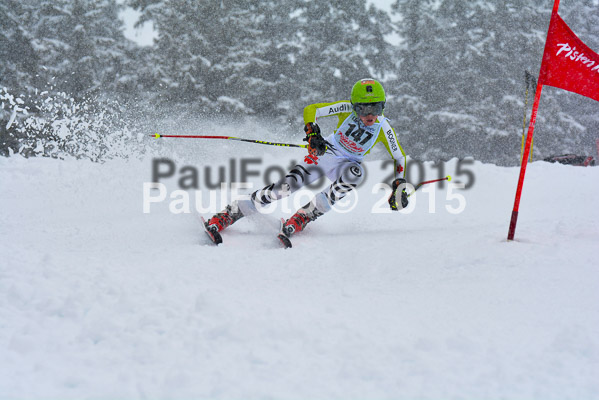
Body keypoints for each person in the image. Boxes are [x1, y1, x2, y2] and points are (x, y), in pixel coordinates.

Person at [205, 78, 408, 243]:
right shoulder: (346, 108)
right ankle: (231, 213)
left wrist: (398, 184)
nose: (370, 115)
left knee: (356, 174)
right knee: (284, 188)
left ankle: (305, 215)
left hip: (347, 165)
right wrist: (312, 133)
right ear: (355, 107)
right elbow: (312, 110)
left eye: (377, 108)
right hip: (324, 154)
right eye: (364, 109)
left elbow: (399, 157)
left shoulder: (383, 127)